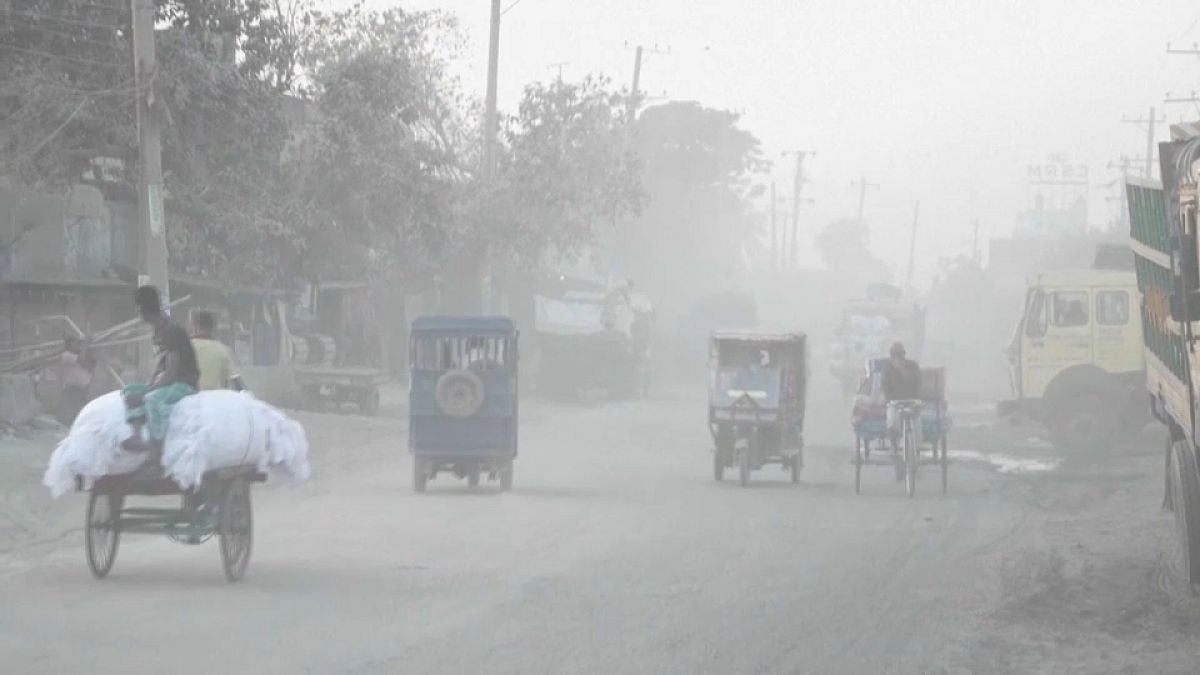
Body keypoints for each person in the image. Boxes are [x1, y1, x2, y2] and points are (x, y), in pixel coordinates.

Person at [121, 286, 200, 455]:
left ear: (144, 310)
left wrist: (146, 393)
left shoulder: (172, 330)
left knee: (152, 399)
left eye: (139, 309)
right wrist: (146, 386)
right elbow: (161, 366)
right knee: (130, 391)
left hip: (184, 384)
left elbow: (171, 373)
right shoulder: (159, 330)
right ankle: (137, 437)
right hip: (169, 382)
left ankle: (157, 451)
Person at [881, 342, 922, 480]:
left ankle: (915, 452)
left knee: (916, 428)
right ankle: (894, 448)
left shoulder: (912, 366)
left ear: (904, 356)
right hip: (895, 404)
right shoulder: (887, 370)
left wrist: (903, 371)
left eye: (900, 356)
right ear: (891, 357)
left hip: (913, 402)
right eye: (895, 356)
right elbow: (885, 390)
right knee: (892, 422)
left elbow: (918, 382)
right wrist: (890, 401)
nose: (898, 359)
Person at [191, 310, 245, 392]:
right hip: (215, 400)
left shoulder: (184, 347)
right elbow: (237, 384)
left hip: (190, 400)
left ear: (194, 327)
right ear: (214, 328)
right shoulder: (224, 349)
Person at [57, 336, 93, 426]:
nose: (77, 346)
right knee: (71, 410)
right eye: (75, 344)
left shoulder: (78, 356)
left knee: (80, 410)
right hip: (72, 388)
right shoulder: (66, 355)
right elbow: (82, 359)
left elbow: (88, 365)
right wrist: (85, 345)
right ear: (68, 346)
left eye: (78, 344)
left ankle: (75, 426)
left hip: (81, 388)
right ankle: (68, 427)